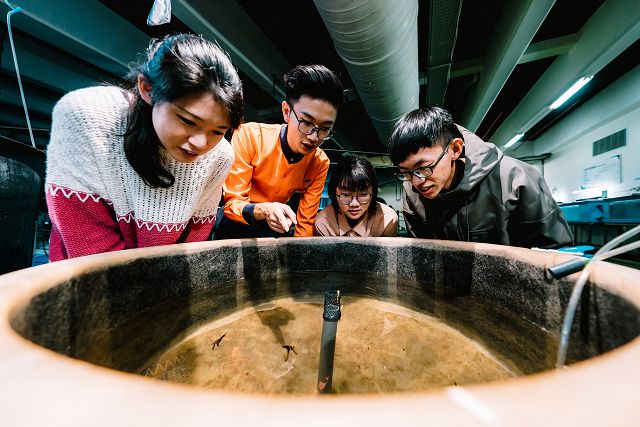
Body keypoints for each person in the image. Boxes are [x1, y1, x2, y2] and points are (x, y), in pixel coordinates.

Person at [45, 34, 244, 261]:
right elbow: (90, 250)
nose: (201, 143)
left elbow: (189, 252)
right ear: (147, 89)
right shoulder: (84, 117)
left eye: (218, 131)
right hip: (82, 277)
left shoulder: (218, 156)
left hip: (159, 280)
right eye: (188, 121)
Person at [387, 106, 572, 248]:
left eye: (424, 167)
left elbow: (552, 251)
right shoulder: (411, 191)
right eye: (406, 172)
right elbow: (422, 253)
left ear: (455, 149)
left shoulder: (513, 179)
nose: (417, 181)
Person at [215, 64, 344, 239]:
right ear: (286, 111)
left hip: (274, 228)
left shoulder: (320, 163)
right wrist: (265, 209)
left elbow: (305, 222)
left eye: (325, 129)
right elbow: (232, 205)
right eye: (306, 122)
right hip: (236, 224)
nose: (314, 137)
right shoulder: (250, 136)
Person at [315, 154, 397, 237]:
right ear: (334, 193)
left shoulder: (386, 220)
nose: (354, 204)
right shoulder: (323, 222)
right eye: (346, 195)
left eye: (363, 195)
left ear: (373, 193)